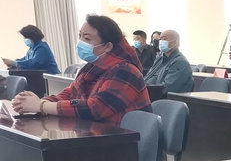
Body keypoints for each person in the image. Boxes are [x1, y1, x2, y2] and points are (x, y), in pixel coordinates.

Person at [11, 14, 151, 124]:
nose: (81, 42)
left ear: (108, 46)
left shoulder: (126, 71)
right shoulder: (91, 68)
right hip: (96, 136)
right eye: (80, 36)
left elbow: (95, 109)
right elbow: (69, 94)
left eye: (87, 38)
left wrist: (41, 106)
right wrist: (34, 102)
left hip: (123, 142)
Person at [143, 29, 194, 94]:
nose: (161, 42)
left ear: (175, 43)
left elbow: (167, 88)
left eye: (164, 39)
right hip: (152, 94)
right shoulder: (160, 59)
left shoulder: (180, 62)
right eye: (160, 39)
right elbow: (152, 77)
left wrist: (144, 90)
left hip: (167, 98)